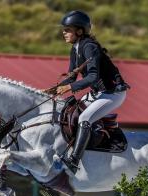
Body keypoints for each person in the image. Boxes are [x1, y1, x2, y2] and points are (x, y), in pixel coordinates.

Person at [52, 10, 130, 173]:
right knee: (69, 112)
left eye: (67, 29)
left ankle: (74, 160)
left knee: (85, 118)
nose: (64, 33)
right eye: (64, 29)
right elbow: (72, 78)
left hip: (112, 93)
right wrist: (53, 89)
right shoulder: (75, 48)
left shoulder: (90, 47)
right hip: (98, 93)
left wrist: (70, 88)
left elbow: (93, 77)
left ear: (79, 31)